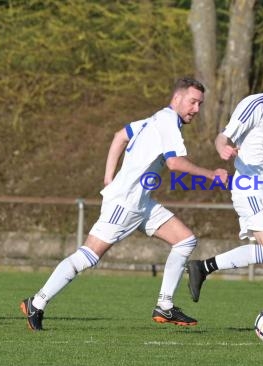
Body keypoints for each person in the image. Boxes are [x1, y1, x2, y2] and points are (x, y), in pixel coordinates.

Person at [20, 78, 228, 331]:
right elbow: (175, 163)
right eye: (193, 102)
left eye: (200, 104)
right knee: (87, 256)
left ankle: (165, 305)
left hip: (141, 204)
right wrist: (210, 174)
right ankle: (37, 302)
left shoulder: (154, 120)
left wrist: (109, 177)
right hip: (126, 204)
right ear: (177, 99)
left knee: (185, 240)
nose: (196, 109)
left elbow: (120, 136)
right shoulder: (168, 122)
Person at [186, 59, 263, 319]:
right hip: (249, 186)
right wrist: (223, 149)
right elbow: (223, 137)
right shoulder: (254, 105)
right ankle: (205, 267)